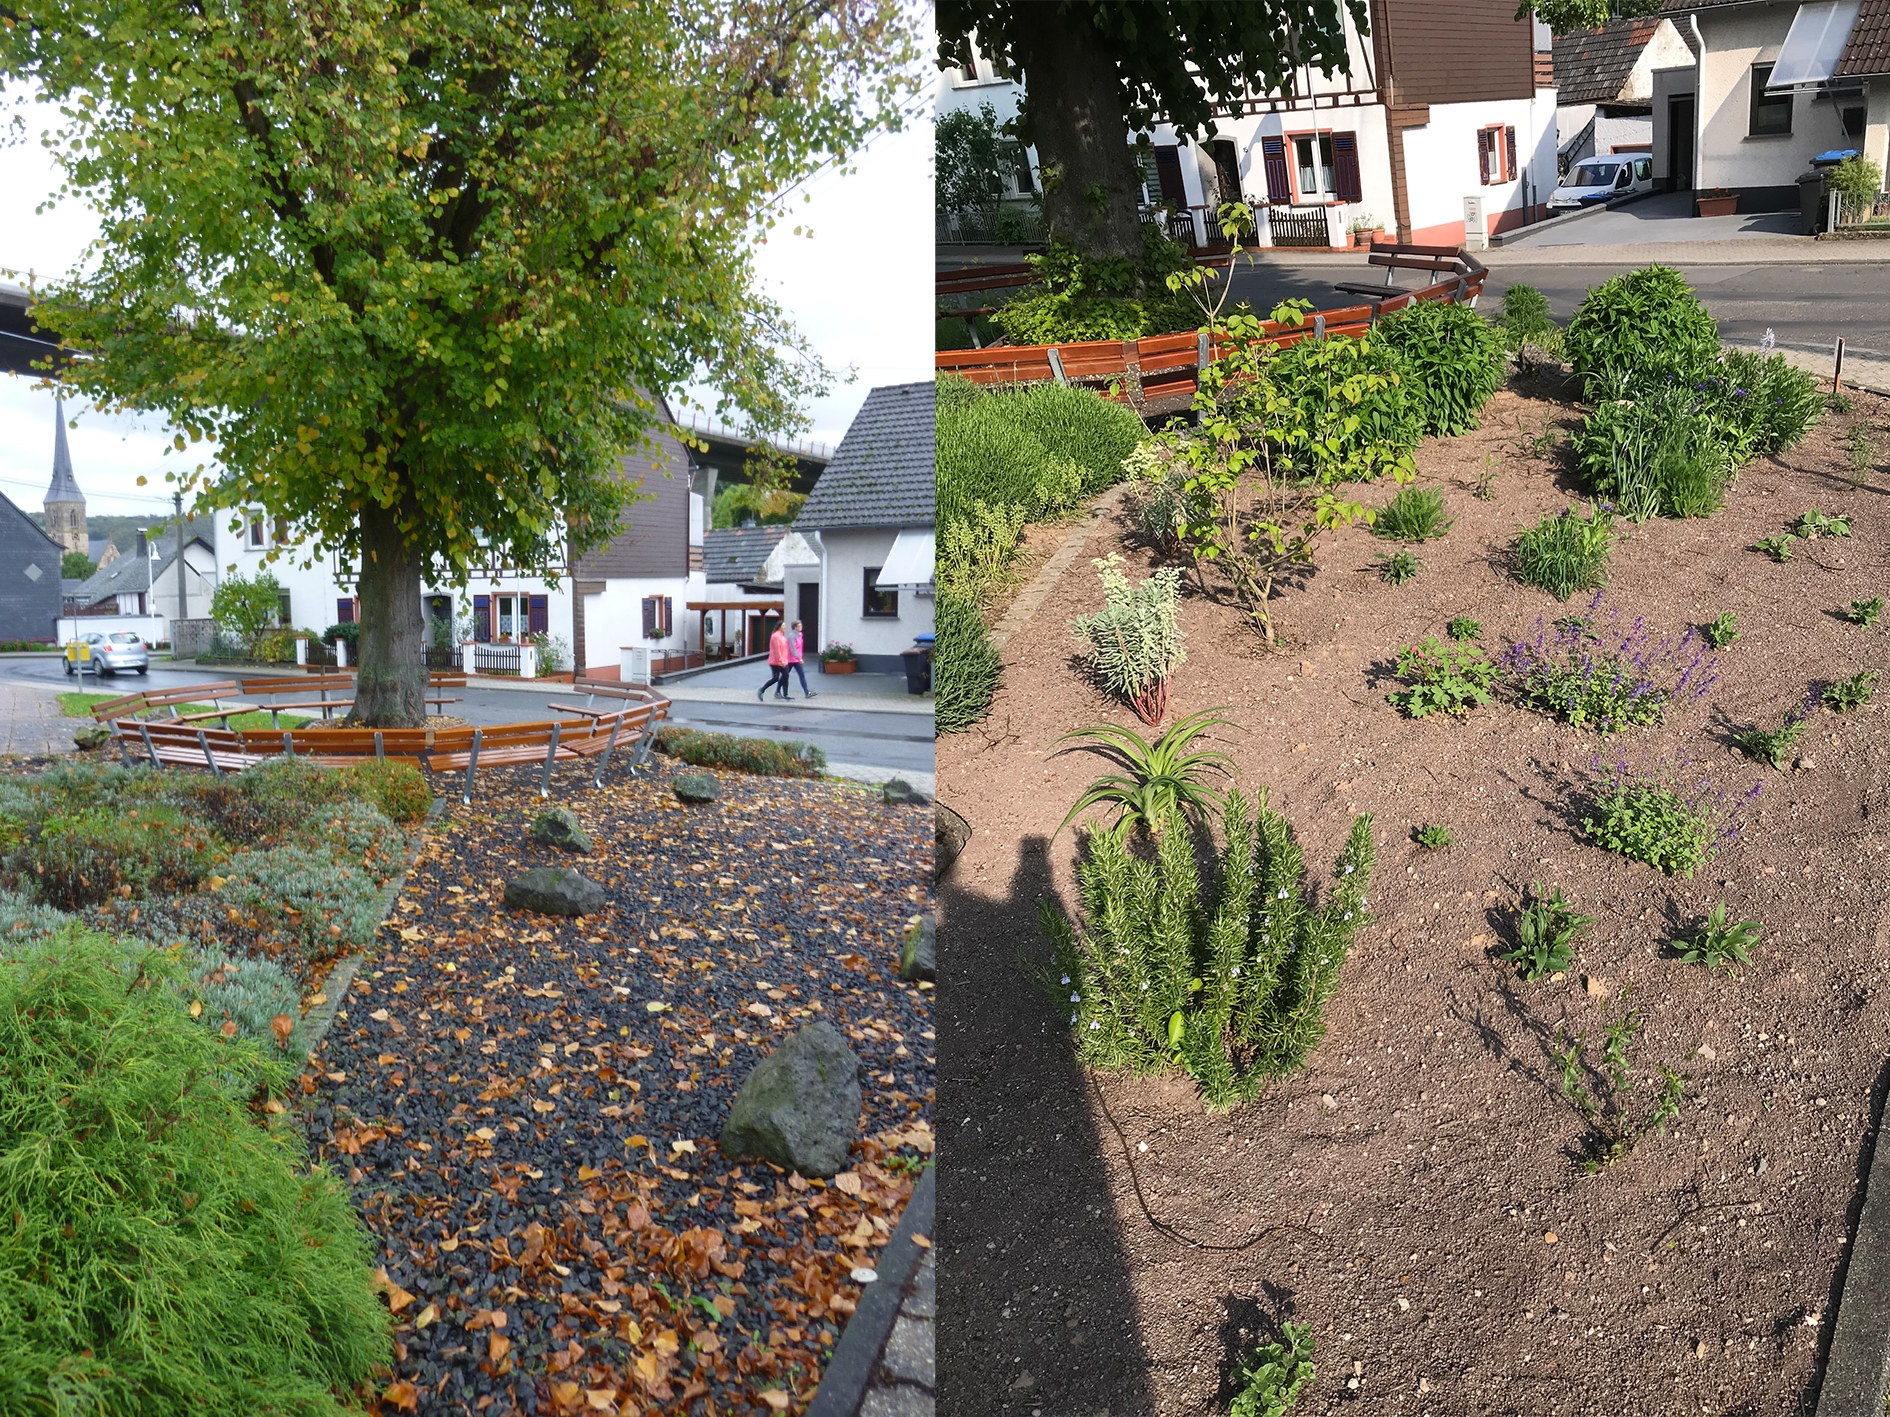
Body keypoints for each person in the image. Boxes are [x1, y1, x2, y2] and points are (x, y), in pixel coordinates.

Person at [758, 622, 792, 701]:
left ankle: (786, 694)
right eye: (783, 626)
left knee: (786, 676)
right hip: (776, 662)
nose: (785, 627)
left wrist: (786, 659)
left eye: (785, 626)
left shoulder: (782, 636)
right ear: (779, 627)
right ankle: (762, 690)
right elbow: (777, 650)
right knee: (775, 678)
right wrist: (781, 661)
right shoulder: (775, 636)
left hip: (784, 661)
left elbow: (784, 649)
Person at [787, 619, 816, 699]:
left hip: (796, 659)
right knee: (785, 676)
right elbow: (792, 649)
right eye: (799, 626)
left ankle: (807, 692)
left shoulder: (800, 635)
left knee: (801, 675)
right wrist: (799, 658)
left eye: (801, 625)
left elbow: (799, 648)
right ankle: (778, 691)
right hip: (790, 659)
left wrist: (799, 658)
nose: (801, 627)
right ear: (795, 627)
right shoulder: (791, 636)